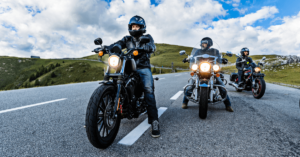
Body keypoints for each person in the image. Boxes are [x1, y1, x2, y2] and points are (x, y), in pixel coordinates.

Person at [106, 15, 160, 138]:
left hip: (142, 67)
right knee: (117, 80)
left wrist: (148, 47)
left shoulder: (147, 37)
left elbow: (152, 46)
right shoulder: (127, 39)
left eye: (137, 26)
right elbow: (118, 44)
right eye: (133, 26)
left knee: (148, 91)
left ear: (142, 28)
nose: (135, 29)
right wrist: (110, 48)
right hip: (128, 66)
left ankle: (154, 121)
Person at [181, 37, 234, 112]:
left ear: (209, 44)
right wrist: (188, 59)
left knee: (221, 84)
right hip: (200, 70)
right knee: (191, 83)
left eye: (205, 43)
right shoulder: (198, 51)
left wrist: (222, 60)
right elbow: (193, 58)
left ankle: (228, 105)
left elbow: (218, 58)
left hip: (212, 70)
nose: (203, 44)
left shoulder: (215, 51)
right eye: (202, 43)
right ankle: (184, 102)